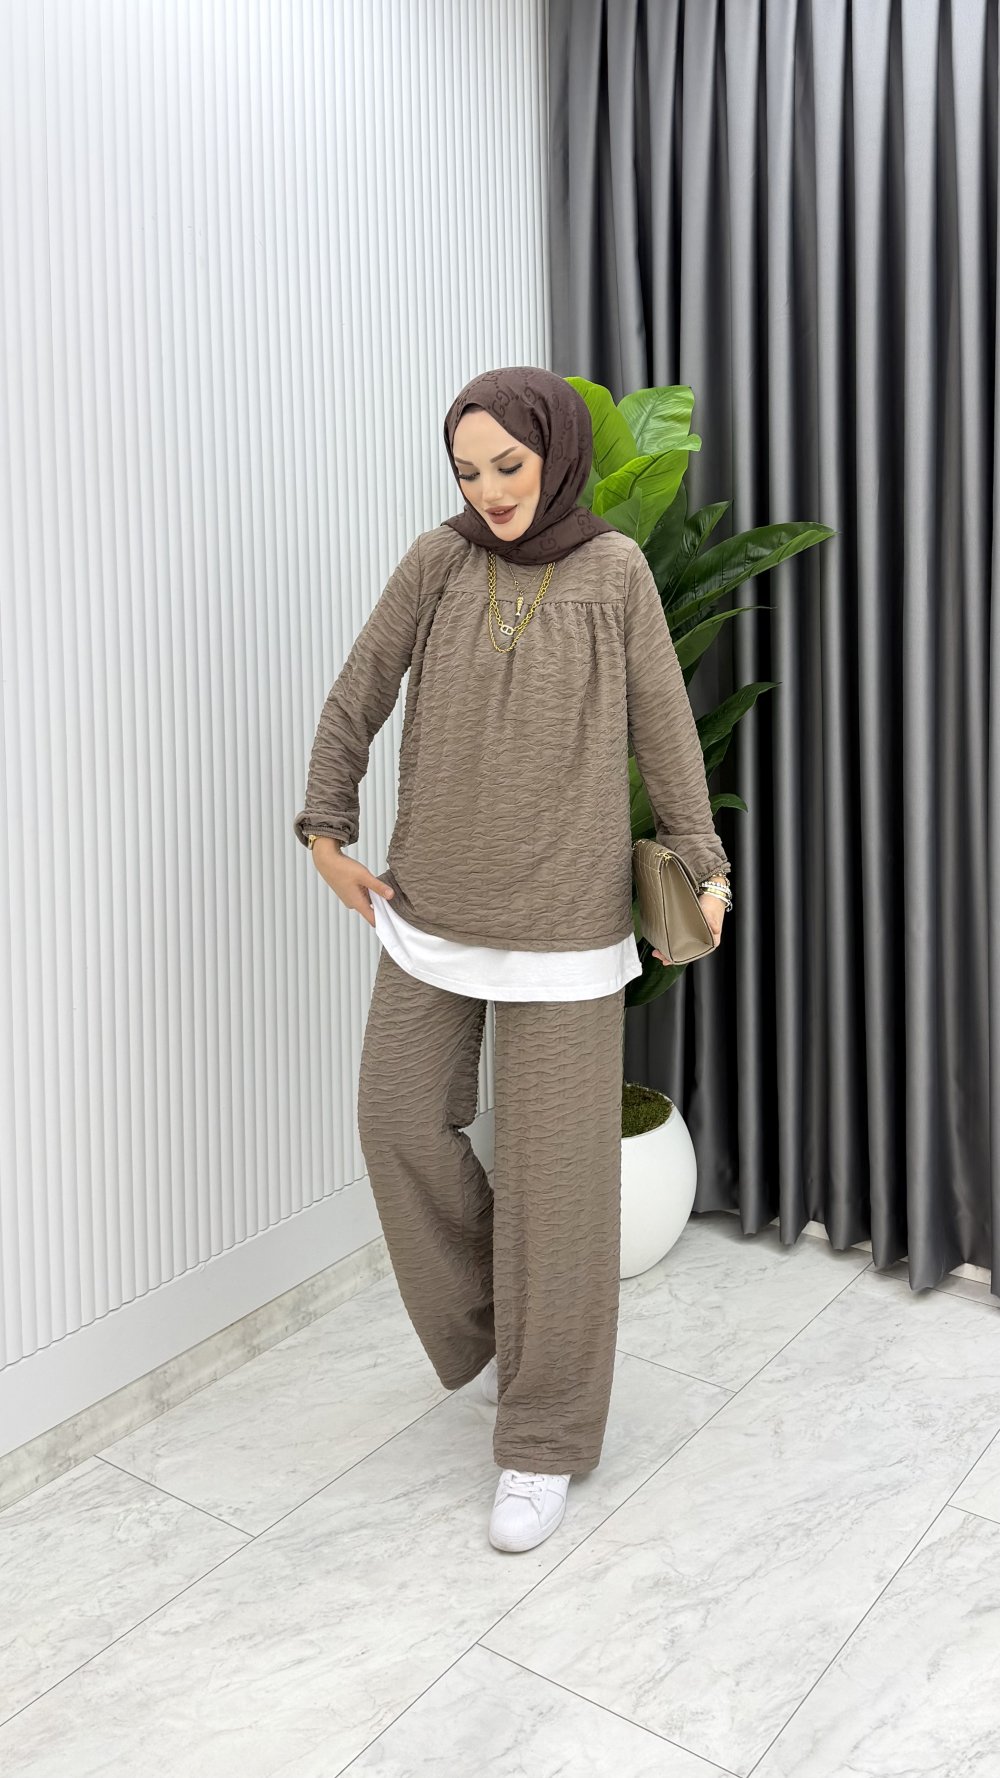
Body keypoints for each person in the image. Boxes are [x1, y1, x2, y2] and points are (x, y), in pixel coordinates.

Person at [293, 366, 731, 1554]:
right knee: (395, 1117)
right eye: (467, 469)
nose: (488, 488)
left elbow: (664, 728)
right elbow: (357, 692)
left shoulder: (615, 572)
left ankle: (543, 1434)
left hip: (565, 926)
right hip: (430, 906)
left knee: (556, 1186)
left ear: (554, 453)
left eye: (508, 464)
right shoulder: (436, 563)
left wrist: (701, 864)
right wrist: (325, 831)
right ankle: (504, 1335)